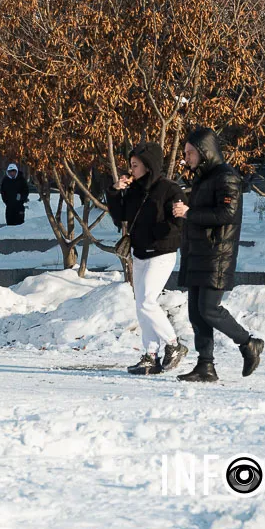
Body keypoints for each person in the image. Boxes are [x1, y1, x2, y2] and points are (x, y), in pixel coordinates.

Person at [171, 127, 264, 382]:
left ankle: (249, 343)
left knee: (209, 309)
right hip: (198, 253)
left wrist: (189, 213)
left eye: (190, 152)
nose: (186, 157)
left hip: (217, 255)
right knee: (195, 312)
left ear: (204, 152)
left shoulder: (227, 177)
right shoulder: (203, 178)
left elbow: (227, 214)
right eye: (186, 153)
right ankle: (206, 366)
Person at [108, 142, 189, 375]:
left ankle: (174, 345)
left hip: (162, 254)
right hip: (140, 254)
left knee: (147, 302)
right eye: (131, 165)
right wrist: (115, 191)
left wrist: (152, 232)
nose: (131, 170)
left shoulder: (170, 189)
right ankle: (150, 355)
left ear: (149, 166)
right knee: (141, 306)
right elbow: (120, 216)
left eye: (135, 165)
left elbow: (177, 223)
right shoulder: (134, 190)